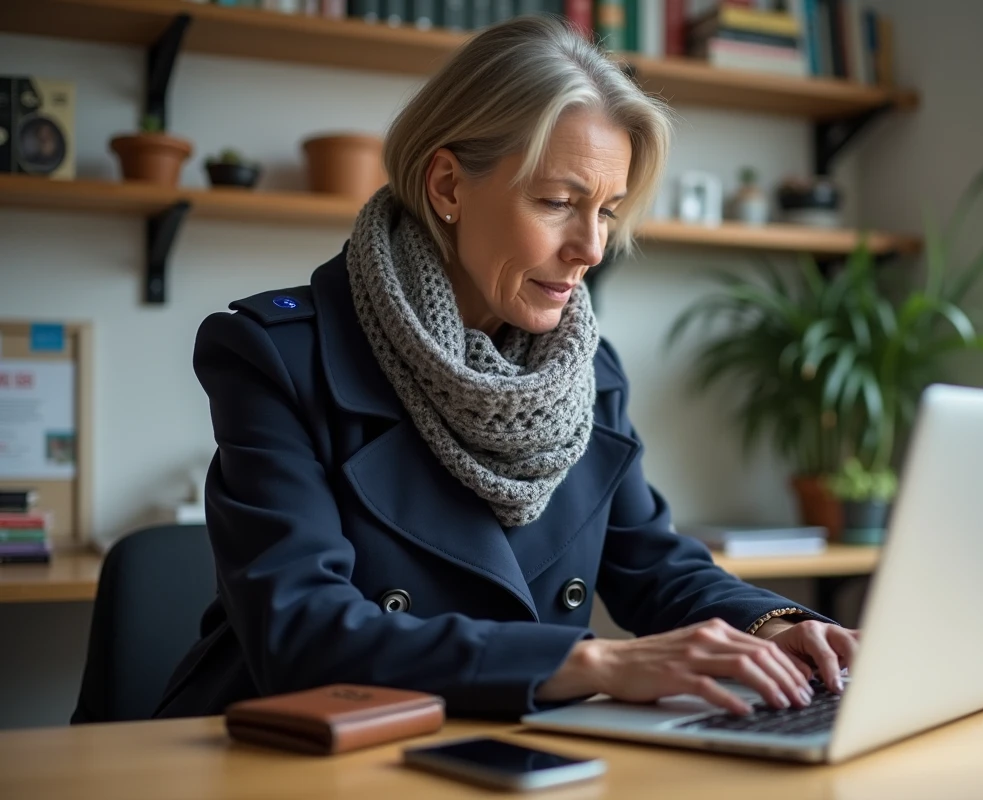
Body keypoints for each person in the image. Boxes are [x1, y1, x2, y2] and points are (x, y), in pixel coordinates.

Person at [154, 15, 857, 721]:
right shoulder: (277, 353)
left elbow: (653, 562)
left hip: (503, 751)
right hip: (283, 753)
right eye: (558, 202)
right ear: (449, 187)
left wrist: (776, 627)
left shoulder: (585, 372)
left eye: (607, 211)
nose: (591, 247)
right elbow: (301, 634)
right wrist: (588, 661)